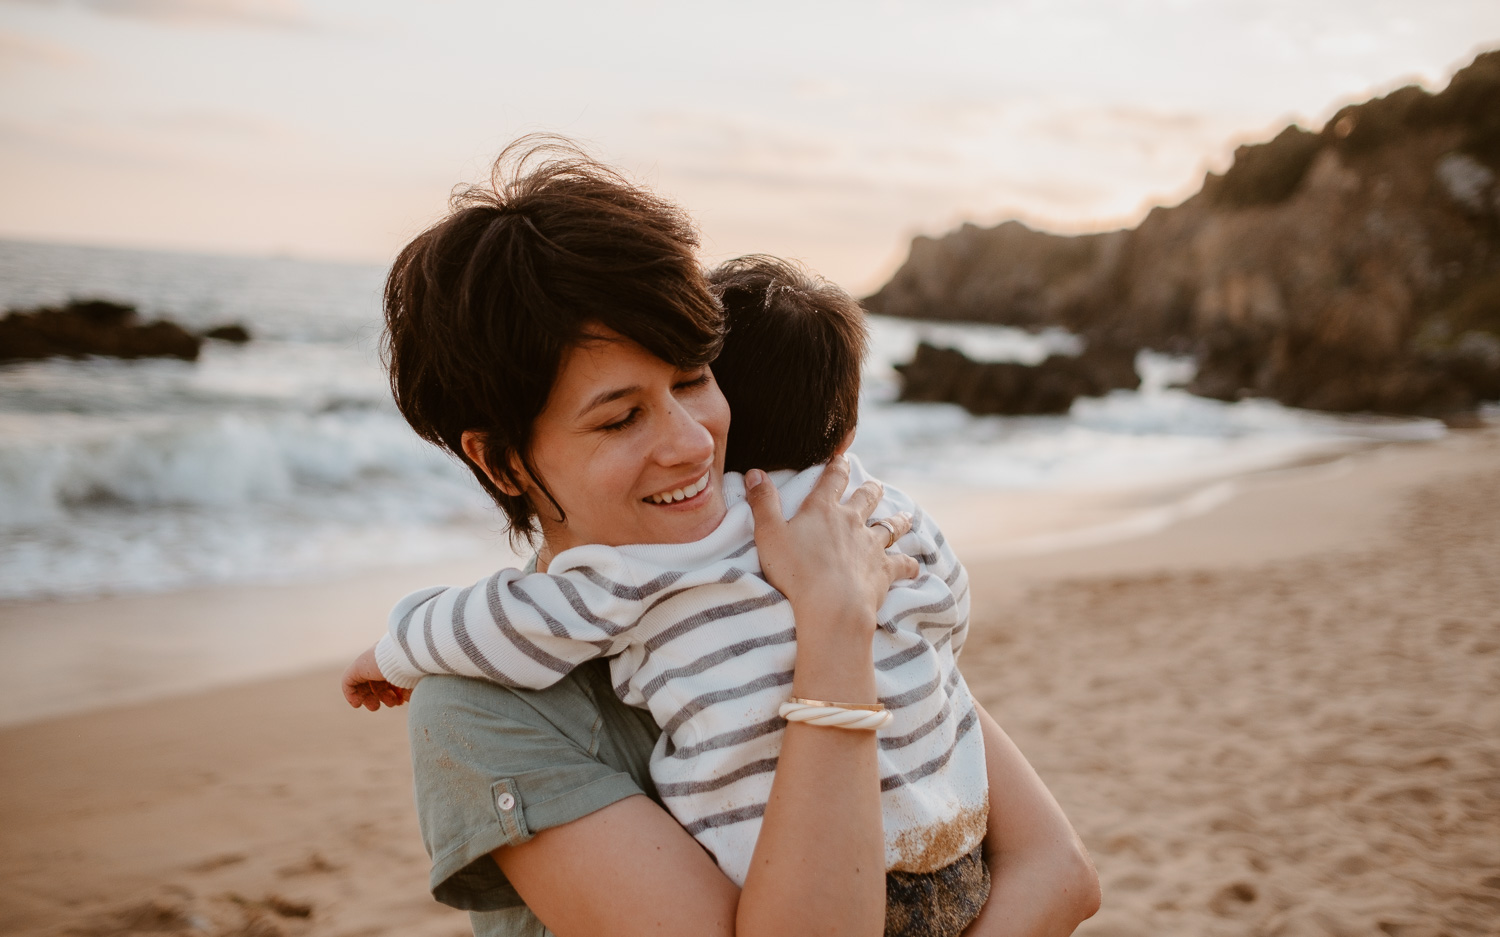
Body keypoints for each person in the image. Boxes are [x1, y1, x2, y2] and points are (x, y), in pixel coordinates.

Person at [342, 138, 1100, 937]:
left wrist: (840, 606)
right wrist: (833, 629)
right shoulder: (485, 709)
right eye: (621, 416)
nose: (694, 442)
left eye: (694, 378)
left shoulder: (822, 542)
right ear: (499, 459)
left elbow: (1063, 873)